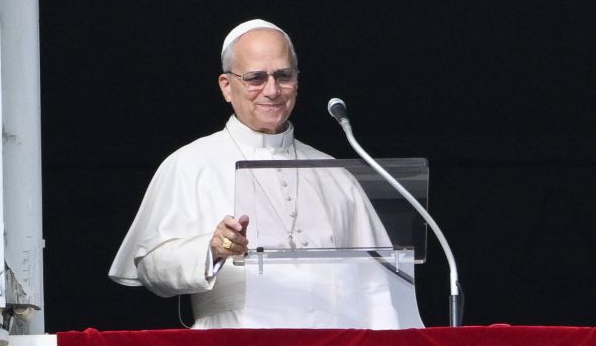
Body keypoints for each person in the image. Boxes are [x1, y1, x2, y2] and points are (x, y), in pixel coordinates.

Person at [109, 19, 408, 329]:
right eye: (255, 78)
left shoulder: (333, 173)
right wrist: (212, 249)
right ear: (227, 86)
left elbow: (377, 286)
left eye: (283, 76)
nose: (272, 90)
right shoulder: (189, 164)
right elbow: (150, 267)